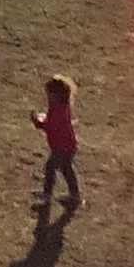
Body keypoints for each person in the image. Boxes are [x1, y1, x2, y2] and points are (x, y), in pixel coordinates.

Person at [33, 72, 82, 222]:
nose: (48, 97)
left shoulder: (58, 110)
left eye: (50, 95)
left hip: (63, 147)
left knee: (51, 168)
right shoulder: (59, 107)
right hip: (65, 146)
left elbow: (51, 126)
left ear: (57, 95)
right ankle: (74, 195)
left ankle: (48, 196)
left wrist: (38, 122)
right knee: (66, 169)